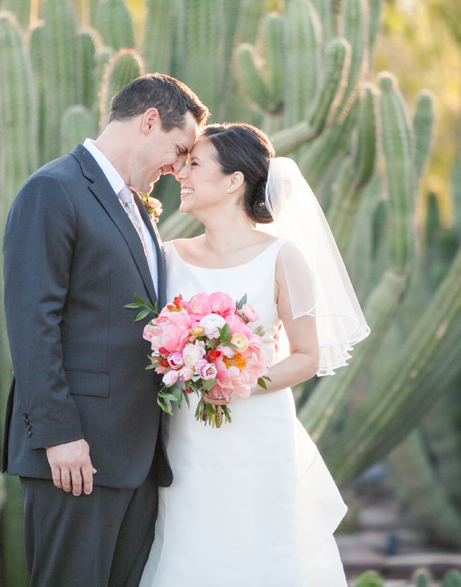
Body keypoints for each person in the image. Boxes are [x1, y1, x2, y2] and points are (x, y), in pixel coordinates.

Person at [138, 124, 370, 586]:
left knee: (258, 552)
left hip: (259, 437)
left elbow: (306, 355)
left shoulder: (283, 258)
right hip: (187, 439)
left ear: (232, 181)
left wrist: (241, 382)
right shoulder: (169, 257)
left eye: (195, 164)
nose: (181, 174)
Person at [1, 74, 209, 587]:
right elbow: (32, 323)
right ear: (148, 122)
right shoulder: (53, 189)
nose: (177, 166)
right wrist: (59, 436)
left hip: (134, 458)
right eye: (178, 149)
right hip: (76, 456)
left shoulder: (138, 208)